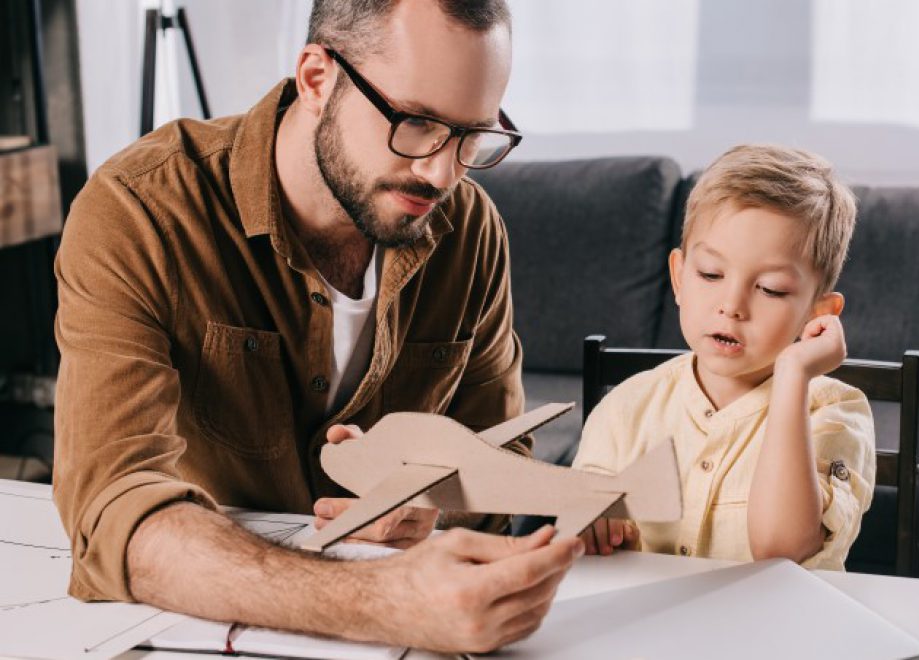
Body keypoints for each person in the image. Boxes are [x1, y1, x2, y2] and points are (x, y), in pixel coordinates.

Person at [52, 0, 581, 653]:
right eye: (415, 123)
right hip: (191, 626)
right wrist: (382, 602)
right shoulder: (139, 211)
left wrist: (430, 503)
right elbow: (112, 510)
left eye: (473, 136)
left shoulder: (469, 229)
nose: (442, 173)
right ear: (315, 78)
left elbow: (498, 455)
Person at [573, 144, 876, 569]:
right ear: (679, 277)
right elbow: (580, 529)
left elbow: (781, 551)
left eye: (770, 289)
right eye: (711, 274)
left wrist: (793, 374)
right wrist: (588, 521)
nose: (732, 305)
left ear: (816, 313)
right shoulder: (626, 408)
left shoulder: (835, 412)